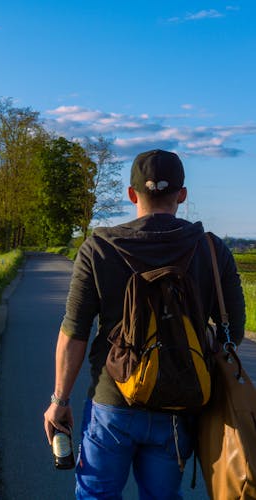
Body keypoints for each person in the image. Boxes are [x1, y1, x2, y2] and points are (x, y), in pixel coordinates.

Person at [43, 149, 246, 499]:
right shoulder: (211, 249)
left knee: (96, 495)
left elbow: (74, 332)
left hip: (112, 403)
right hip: (178, 408)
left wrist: (59, 400)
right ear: (182, 194)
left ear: (132, 194)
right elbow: (235, 333)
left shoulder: (99, 248)